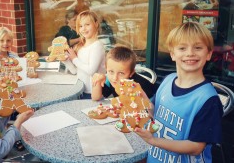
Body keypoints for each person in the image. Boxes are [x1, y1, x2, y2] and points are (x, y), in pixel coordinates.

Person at [134, 22, 223, 162]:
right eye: (182, 48)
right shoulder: (168, 80)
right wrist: (142, 101)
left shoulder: (208, 99)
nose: (190, 53)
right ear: (172, 54)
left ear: (209, 54)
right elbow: (156, 113)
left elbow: (196, 146)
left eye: (198, 47)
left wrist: (153, 140)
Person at [91, 46, 157, 101]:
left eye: (121, 73)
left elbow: (147, 108)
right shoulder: (110, 80)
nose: (115, 78)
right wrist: (98, 81)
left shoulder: (138, 86)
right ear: (106, 68)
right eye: (111, 71)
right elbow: (95, 98)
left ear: (131, 73)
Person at [67, 10, 106, 99]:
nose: (83, 29)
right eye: (80, 26)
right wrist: (66, 61)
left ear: (96, 24)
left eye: (87, 25)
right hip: (81, 90)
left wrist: (74, 59)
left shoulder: (97, 46)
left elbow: (91, 70)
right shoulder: (80, 46)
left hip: (93, 92)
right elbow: (75, 71)